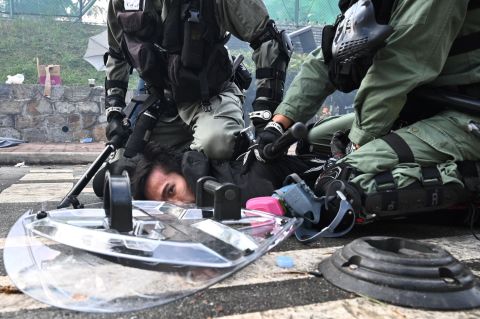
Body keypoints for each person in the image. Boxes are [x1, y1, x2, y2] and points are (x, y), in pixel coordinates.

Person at [244, 0, 480, 223]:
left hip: (464, 115)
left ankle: (469, 179)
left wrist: (355, 147)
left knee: (344, 186)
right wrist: (278, 126)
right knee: (311, 143)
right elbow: (329, 58)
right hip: (420, 110)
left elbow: (398, 68)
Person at [104, 0, 292, 161]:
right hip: (160, 103)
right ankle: (191, 159)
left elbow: (269, 39)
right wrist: (114, 113)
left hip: (212, 95)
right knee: (123, 160)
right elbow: (117, 55)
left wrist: (265, 113)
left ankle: (218, 152)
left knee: (218, 143)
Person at [131, 142, 319, 206]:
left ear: (183, 171)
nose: (173, 206)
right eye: (163, 205)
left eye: (170, 191)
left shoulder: (236, 188)